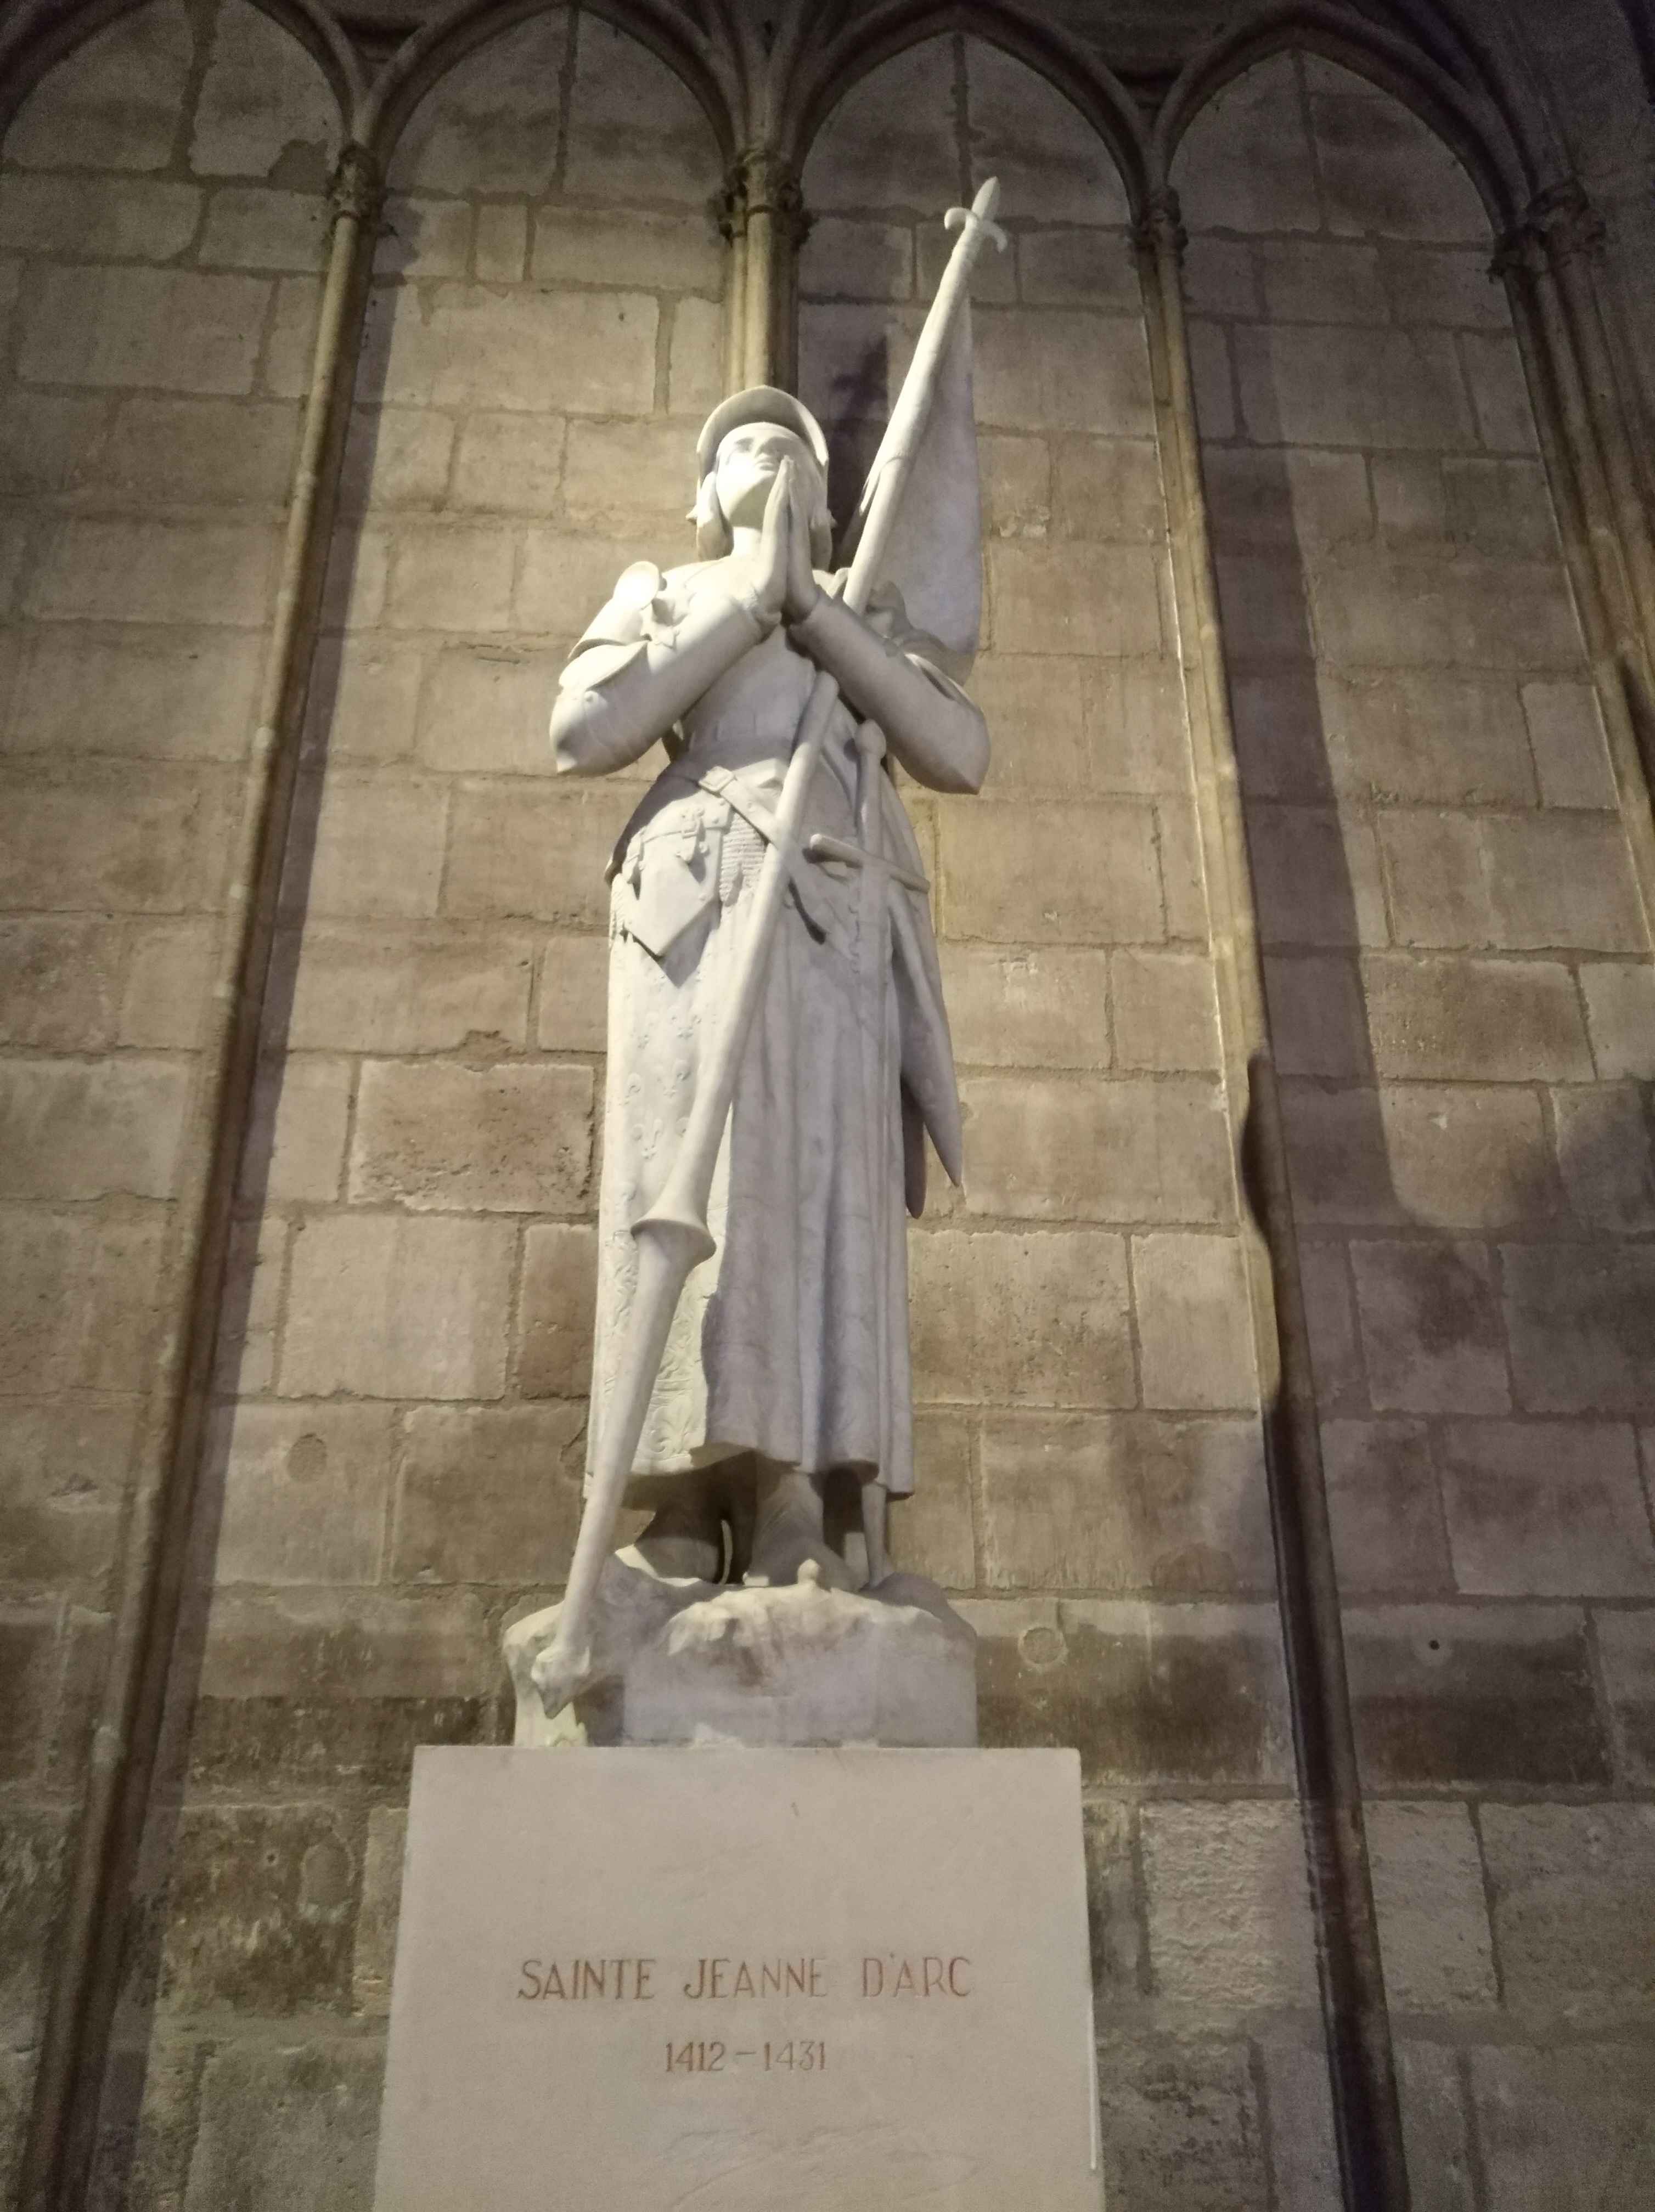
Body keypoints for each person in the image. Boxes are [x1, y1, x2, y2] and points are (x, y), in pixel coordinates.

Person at [550, 386, 988, 1595]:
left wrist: (817, 614)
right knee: (680, 1185)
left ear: (832, 502)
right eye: (739, 442)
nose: (766, 449)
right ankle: (682, 1500)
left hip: (826, 908)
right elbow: (582, 731)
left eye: (788, 441)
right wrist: (752, 599)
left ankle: (794, 1494)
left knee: (812, 1189)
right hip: (691, 899)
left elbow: (958, 752)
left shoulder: (858, 612)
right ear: (703, 494)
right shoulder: (666, 590)